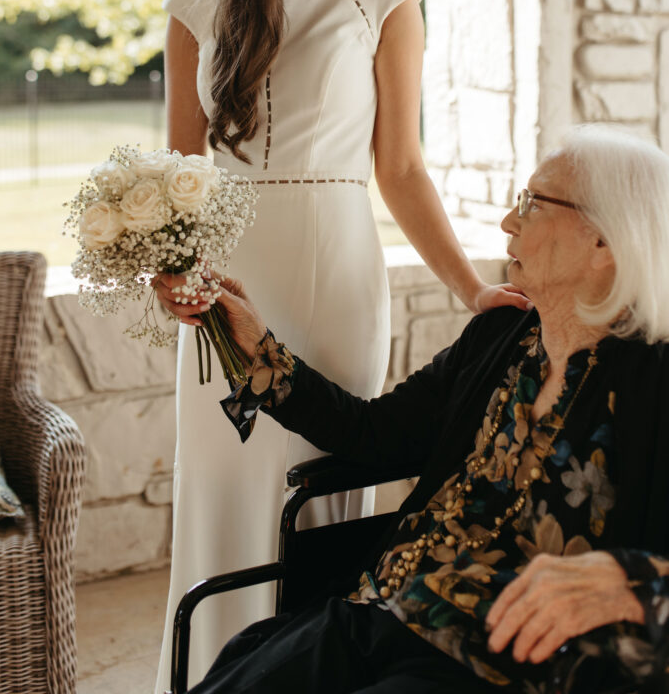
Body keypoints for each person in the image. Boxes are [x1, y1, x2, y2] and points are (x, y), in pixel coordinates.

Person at [154, 0, 528, 687]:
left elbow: (398, 167)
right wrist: (167, 273)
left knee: (324, 481)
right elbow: (180, 176)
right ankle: (213, 674)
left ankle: (313, 672)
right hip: (225, 289)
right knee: (227, 486)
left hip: (334, 276)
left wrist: (472, 290)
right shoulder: (194, 4)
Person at [186, 124, 669, 693]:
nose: (508, 222)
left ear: (605, 242)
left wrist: (633, 582)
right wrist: (257, 348)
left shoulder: (654, 382)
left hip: (501, 661)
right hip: (383, 605)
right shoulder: (500, 337)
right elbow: (373, 434)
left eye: (532, 205)